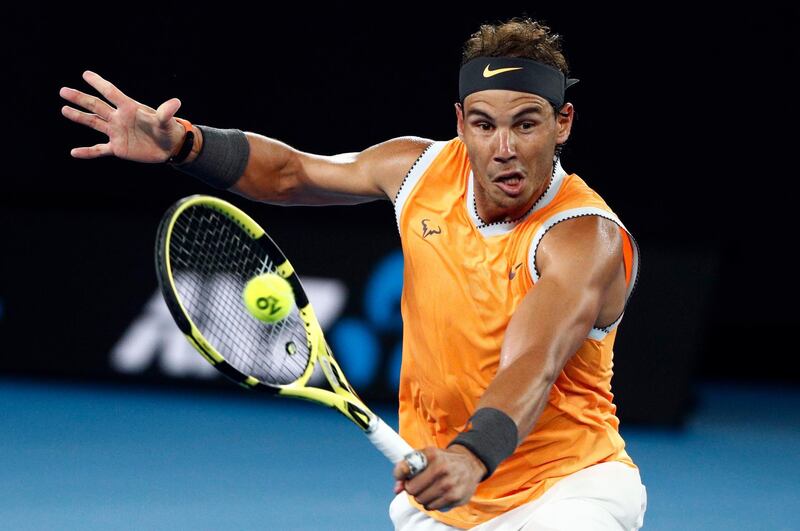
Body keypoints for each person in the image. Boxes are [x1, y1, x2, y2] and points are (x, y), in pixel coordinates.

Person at [60, 17, 646, 531]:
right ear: (460, 122)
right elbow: (291, 175)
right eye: (484, 124)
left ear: (563, 123)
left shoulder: (583, 237)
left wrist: (471, 455)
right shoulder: (415, 169)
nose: (504, 148)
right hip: (440, 492)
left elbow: (533, 361)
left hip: (569, 487)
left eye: (526, 124)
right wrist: (185, 144)